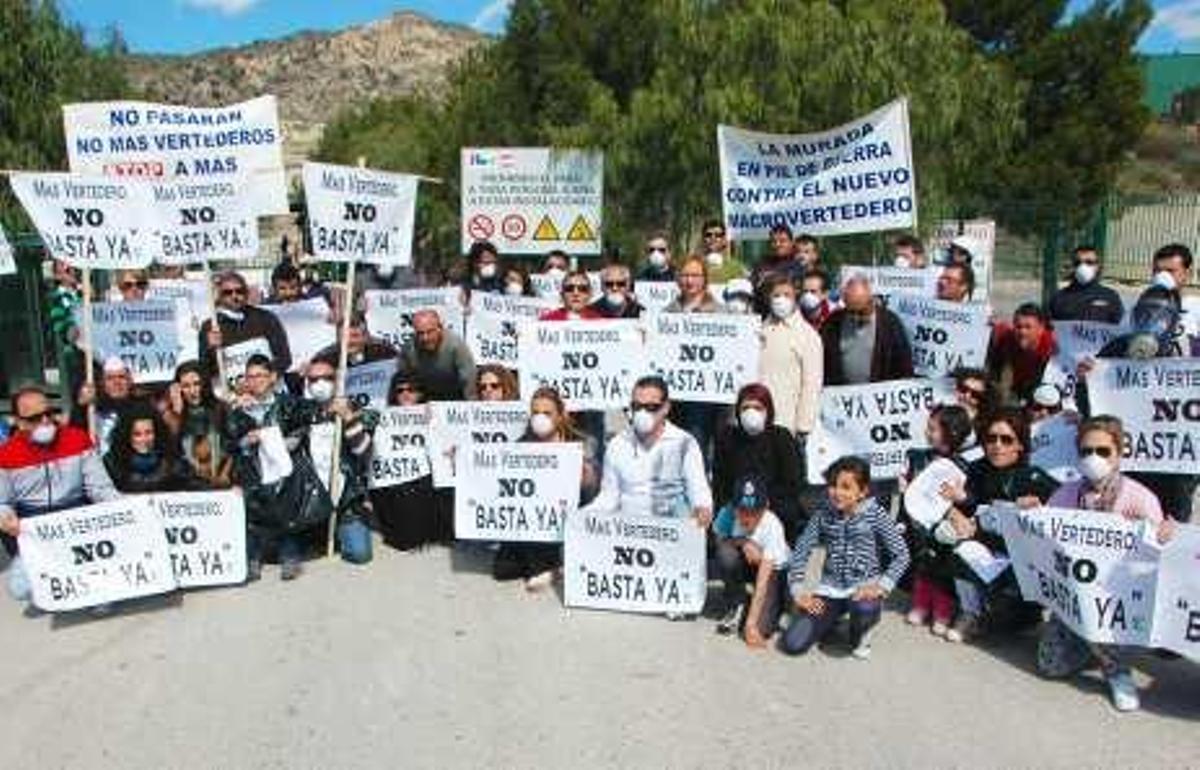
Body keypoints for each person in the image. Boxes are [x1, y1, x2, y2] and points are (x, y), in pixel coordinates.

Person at [1033, 416, 1176, 712]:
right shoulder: (1066, 493)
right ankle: (1089, 648)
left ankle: (1116, 669)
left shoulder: (1139, 497)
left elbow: (1158, 553)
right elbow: (1043, 539)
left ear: (1119, 453)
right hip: (1074, 594)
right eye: (1086, 451)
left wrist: (1165, 534)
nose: (1093, 458)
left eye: (1102, 451)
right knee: (1050, 665)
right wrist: (1032, 515)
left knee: (1103, 629)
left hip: (1117, 598)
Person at [937, 408, 1059, 643]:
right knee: (954, 543)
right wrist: (955, 514)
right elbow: (959, 505)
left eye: (1006, 439)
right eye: (991, 438)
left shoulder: (1033, 476)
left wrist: (1042, 506)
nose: (997, 445)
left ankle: (1022, 616)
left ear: (1020, 445)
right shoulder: (976, 469)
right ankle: (969, 613)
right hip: (985, 548)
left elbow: (1067, 508)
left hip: (1021, 560)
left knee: (1007, 619)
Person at [0, 386, 120, 613]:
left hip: (75, 513)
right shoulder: (5, 455)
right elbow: (2, 502)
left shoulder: (78, 439)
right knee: (20, 588)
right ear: (19, 421)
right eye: (35, 418)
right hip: (33, 522)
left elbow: (100, 488)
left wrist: (123, 508)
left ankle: (93, 584)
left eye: (50, 413)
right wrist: (5, 519)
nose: (46, 420)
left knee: (103, 600)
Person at [780, 456, 910, 659]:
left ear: (863, 491)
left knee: (864, 610)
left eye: (846, 487)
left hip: (862, 590)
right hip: (829, 589)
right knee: (792, 643)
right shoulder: (823, 514)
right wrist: (799, 592)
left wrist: (881, 587)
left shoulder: (876, 514)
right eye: (832, 485)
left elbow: (901, 554)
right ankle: (831, 621)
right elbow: (801, 551)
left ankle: (861, 631)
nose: (837, 492)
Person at [223, 355, 330, 581]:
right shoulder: (238, 410)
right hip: (253, 468)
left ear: (272, 377)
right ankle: (253, 555)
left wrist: (294, 438)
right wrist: (245, 441)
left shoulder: (288, 402)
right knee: (251, 501)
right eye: (250, 377)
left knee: (286, 495)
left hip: (284, 468)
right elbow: (228, 443)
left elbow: (312, 414)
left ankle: (289, 552)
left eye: (260, 375)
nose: (255, 381)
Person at [492, 386, 600, 589]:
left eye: (547, 413)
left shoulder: (582, 443)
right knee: (502, 570)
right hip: (535, 520)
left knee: (534, 564)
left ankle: (552, 564)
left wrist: (586, 476)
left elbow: (592, 493)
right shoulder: (522, 445)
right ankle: (556, 566)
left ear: (560, 415)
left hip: (568, 517)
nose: (540, 418)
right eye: (536, 413)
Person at [582, 375, 712, 524]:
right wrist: (579, 519)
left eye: (651, 407)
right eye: (637, 407)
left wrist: (702, 508)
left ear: (666, 408)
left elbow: (699, 491)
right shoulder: (617, 444)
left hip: (671, 532)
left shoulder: (685, 443)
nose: (642, 413)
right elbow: (609, 497)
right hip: (629, 533)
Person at [900, 405, 975, 637]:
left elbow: (970, 500)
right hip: (919, 523)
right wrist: (905, 485)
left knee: (944, 567)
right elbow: (911, 492)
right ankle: (921, 604)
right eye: (928, 427)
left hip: (944, 526)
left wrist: (962, 498)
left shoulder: (963, 466)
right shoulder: (917, 457)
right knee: (922, 563)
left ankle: (942, 611)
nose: (928, 432)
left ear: (951, 433)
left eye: (933, 429)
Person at [712, 475, 792, 647]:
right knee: (725, 554)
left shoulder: (773, 525)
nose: (747, 517)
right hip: (748, 562)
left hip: (775, 570)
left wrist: (750, 625)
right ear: (733, 507)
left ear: (766, 507)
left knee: (762, 628)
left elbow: (763, 580)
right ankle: (737, 601)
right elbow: (719, 541)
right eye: (741, 510)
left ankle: (780, 604)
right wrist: (744, 542)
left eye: (754, 511)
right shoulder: (727, 513)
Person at [713, 384, 802, 538]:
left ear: (768, 411)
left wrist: (760, 503)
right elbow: (720, 483)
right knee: (727, 559)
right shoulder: (728, 438)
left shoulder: (781, 437)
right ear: (738, 412)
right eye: (745, 408)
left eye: (758, 407)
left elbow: (793, 483)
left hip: (775, 512)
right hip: (737, 515)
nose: (751, 412)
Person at [759, 274, 823, 473]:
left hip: (787, 424)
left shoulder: (807, 335)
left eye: (786, 294)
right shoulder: (758, 330)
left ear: (795, 296)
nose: (781, 299)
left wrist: (803, 426)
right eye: (776, 294)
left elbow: (812, 383)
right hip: (756, 420)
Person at [370, 370, 440, 551]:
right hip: (395, 486)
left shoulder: (435, 415)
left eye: (412, 389)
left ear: (421, 393)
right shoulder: (382, 417)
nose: (406, 394)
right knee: (404, 541)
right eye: (400, 390)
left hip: (425, 484)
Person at [664, 256, 723, 467]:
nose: (690, 280)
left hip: (707, 401)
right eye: (685, 275)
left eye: (695, 275)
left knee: (699, 453)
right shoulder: (666, 313)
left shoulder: (721, 313)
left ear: (705, 280)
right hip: (676, 399)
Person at [198, 270, 292, 387]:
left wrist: (268, 379)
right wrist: (209, 347)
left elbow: (284, 357)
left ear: (247, 293)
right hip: (233, 396)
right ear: (219, 296)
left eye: (239, 291)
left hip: (269, 391)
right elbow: (204, 369)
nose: (234, 296)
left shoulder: (265, 318)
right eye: (228, 292)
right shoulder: (210, 326)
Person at [820, 271, 912, 385]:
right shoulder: (832, 324)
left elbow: (904, 367)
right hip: (843, 397)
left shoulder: (890, 324)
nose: (856, 317)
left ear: (871, 301)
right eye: (851, 312)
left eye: (862, 311)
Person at [103, 404, 204, 493]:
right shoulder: (113, 464)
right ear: (126, 436)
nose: (144, 439)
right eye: (137, 434)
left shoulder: (172, 462)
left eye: (149, 433)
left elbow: (197, 486)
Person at [163, 360, 230, 486]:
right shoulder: (171, 415)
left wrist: (224, 474)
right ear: (178, 388)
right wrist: (177, 412)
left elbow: (233, 446)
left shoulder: (221, 408)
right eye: (186, 386)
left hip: (220, 481)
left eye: (197, 384)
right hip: (187, 484)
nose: (193, 391)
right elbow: (171, 452)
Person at [74, 356, 152, 456]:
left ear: (130, 381)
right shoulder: (91, 408)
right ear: (102, 383)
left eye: (121, 377)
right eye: (110, 378)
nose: (117, 382)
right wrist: (80, 407)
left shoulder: (142, 408)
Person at [397, 309, 476, 401]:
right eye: (420, 333)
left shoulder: (456, 346)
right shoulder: (409, 349)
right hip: (424, 397)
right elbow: (402, 382)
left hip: (454, 396)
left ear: (440, 328)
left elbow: (468, 381)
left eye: (430, 332)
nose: (425, 338)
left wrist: (471, 406)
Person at [986, 302, 1055, 407]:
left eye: (1028, 327)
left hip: (1046, 387)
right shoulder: (1007, 338)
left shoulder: (1052, 345)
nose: (1022, 332)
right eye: (1018, 327)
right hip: (1019, 385)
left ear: (1041, 329)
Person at [1047, 246, 1124, 324]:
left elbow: (1116, 327)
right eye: (1078, 263)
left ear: (1097, 266)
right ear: (1073, 266)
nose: (1083, 267)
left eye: (1089, 262)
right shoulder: (1058, 298)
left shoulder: (1110, 296)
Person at [750, 224, 804, 309]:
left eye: (782, 241)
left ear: (791, 242)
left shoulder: (798, 266)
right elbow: (753, 287)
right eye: (774, 241)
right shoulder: (761, 264)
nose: (777, 244)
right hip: (762, 313)